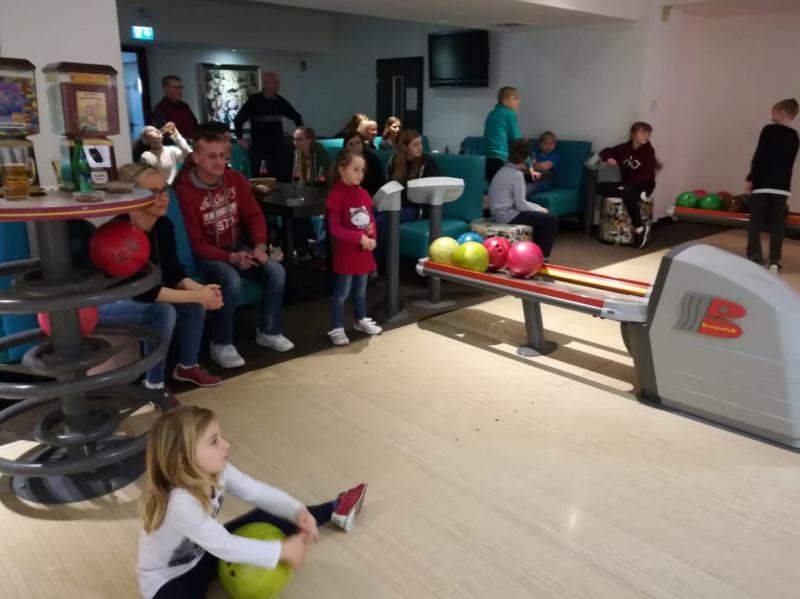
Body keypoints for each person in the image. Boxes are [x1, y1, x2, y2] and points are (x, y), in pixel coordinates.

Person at [137, 405, 368, 599]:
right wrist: (282, 551)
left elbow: (257, 492)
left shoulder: (219, 471)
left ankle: (334, 510)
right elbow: (226, 546)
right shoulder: (181, 503)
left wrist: (297, 511)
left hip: (205, 553)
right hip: (169, 579)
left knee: (267, 515)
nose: (226, 444)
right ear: (183, 461)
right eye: (214, 441)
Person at [98, 164, 223, 395]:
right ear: (132, 196)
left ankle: (187, 367)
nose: (163, 197)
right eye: (152, 192)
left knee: (194, 303)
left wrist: (204, 291)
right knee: (163, 311)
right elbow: (144, 292)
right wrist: (199, 294)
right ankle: (153, 385)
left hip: (141, 295)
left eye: (163, 190)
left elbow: (174, 273)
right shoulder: (117, 231)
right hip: (106, 304)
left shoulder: (163, 226)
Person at [175, 131, 295, 370]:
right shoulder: (184, 191)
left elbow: (254, 216)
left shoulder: (236, 180)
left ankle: (269, 331)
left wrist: (259, 246)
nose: (219, 162)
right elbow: (196, 244)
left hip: (238, 246)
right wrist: (231, 258)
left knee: (276, 271)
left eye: (223, 156)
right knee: (230, 279)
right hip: (208, 254)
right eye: (212, 156)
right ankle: (221, 343)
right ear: (196, 157)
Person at [326, 150, 383, 345]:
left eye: (362, 170)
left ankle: (360, 319)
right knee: (342, 292)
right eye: (355, 169)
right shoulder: (336, 196)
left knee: (361, 290)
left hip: (363, 252)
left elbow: (371, 220)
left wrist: (372, 238)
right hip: (347, 254)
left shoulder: (363, 193)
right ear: (342, 170)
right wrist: (359, 238)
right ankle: (337, 327)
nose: (360, 174)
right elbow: (335, 229)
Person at [746, 98, 799, 272]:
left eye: (773, 112)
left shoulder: (768, 130)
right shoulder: (794, 136)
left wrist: (751, 178)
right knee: (777, 224)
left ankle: (754, 256)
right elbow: (787, 162)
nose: (771, 116)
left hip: (763, 184)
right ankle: (775, 260)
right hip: (782, 187)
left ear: (782, 113)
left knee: (755, 221)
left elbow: (760, 156)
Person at [375, 129, 439, 265]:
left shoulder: (427, 162)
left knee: (381, 221)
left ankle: (372, 264)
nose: (420, 148)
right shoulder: (394, 161)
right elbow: (388, 186)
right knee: (368, 217)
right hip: (394, 203)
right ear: (404, 147)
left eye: (420, 143)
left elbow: (428, 192)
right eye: (415, 145)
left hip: (416, 207)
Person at [489, 139, 559, 260]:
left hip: (498, 213)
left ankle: (533, 252)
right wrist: (539, 209)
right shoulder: (517, 175)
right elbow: (521, 205)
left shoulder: (502, 170)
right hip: (507, 216)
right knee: (551, 220)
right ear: (526, 157)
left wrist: (537, 209)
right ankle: (542, 258)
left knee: (539, 217)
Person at [595, 122, 661, 249]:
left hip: (645, 184)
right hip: (628, 184)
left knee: (627, 191)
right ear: (633, 134)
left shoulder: (649, 151)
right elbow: (605, 151)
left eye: (648, 133)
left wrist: (627, 186)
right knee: (599, 187)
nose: (646, 136)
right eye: (643, 133)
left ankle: (640, 228)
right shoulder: (623, 149)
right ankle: (636, 195)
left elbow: (647, 175)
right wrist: (609, 158)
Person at [234, 71, 303, 178]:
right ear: (266, 84)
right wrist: (239, 138)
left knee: (279, 175)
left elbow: (296, 117)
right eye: (275, 82)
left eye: (278, 82)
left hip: (278, 147)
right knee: (263, 177)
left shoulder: (279, 101)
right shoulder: (254, 100)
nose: (278, 85)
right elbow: (239, 119)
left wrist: (301, 137)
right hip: (260, 148)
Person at [483, 86, 539, 183]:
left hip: (488, 160)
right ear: (505, 101)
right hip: (501, 160)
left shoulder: (491, 114)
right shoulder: (509, 114)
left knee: (495, 189)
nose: (518, 102)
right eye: (515, 99)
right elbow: (519, 143)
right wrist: (531, 168)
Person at [152, 76, 199, 142]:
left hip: (192, 144)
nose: (180, 91)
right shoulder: (160, 109)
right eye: (177, 88)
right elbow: (162, 134)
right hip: (175, 146)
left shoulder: (184, 106)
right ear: (165, 89)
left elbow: (195, 127)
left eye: (181, 88)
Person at [344, 130, 385, 197]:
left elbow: (378, 184)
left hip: (371, 196)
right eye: (351, 144)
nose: (355, 147)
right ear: (346, 148)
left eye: (358, 143)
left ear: (362, 144)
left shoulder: (372, 159)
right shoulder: (342, 161)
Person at [527, 131, 561, 198]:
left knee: (523, 190)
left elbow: (543, 166)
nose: (549, 146)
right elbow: (523, 163)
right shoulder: (535, 153)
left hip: (543, 183)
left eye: (552, 144)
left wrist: (528, 166)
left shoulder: (555, 155)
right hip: (529, 178)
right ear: (540, 144)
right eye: (546, 143)